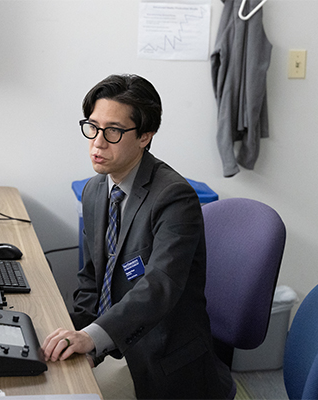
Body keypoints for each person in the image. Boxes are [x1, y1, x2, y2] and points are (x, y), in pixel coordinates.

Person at [41, 74, 234, 399]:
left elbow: (159, 286)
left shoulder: (174, 197)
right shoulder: (94, 190)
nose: (98, 143)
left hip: (159, 355)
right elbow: (91, 280)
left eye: (113, 131)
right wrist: (76, 332)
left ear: (145, 136)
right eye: (92, 127)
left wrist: (93, 338)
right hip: (110, 341)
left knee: (63, 394)